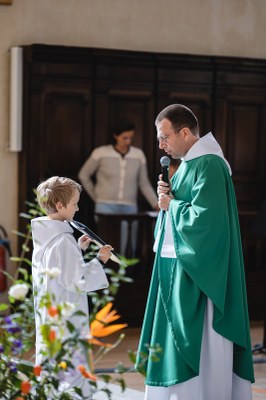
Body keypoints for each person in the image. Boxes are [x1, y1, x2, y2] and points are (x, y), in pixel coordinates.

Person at [135, 104, 255, 400]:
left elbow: (207, 221)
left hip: (199, 272)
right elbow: (181, 210)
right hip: (180, 265)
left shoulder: (209, 164)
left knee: (200, 341)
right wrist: (169, 201)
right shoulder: (189, 163)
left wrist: (170, 206)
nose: (160, 145)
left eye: (165, 137)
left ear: (185, 132)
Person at [31, 176, 113, 398]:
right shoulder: (63, 241)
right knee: (70, 357)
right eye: (75, 203)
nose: (77, 209)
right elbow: (77, 281)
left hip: (50, 310)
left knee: (52, 355)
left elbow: (59, 269)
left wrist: (78, 249)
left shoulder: (46, 235)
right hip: (66, 314)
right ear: (60, 205)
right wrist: (99, 260)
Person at [78, 119, 158, 255]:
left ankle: (125, 273)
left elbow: (143, 183)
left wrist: (156, 203)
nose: (128, 141)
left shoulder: (138, 155)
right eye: (124, 138)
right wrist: (97, 197)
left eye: (130, 138)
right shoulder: (101, 152)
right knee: (106, 243)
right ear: (115, 136)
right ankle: (106, 274)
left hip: (129, 207)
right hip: (105, 206)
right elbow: (83, 175)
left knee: (128, 245)